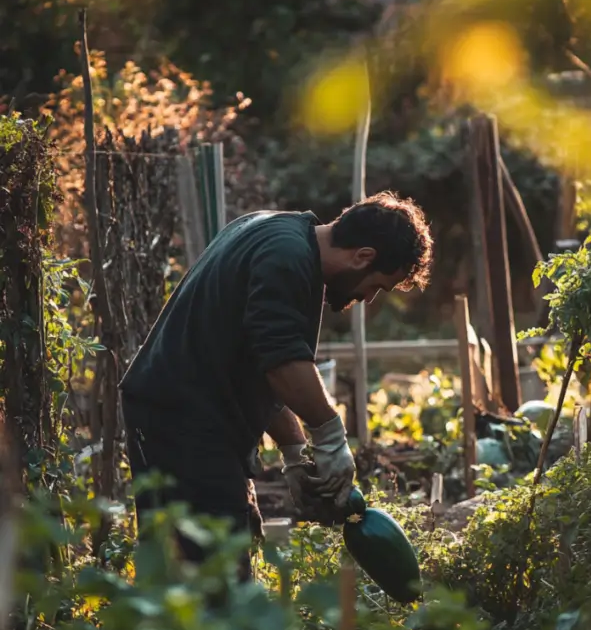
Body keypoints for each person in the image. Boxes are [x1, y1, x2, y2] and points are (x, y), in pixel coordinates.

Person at [120, 190, 433, 570]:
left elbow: (262, 365)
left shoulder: (280, 233)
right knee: (206, 571)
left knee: (226, 546)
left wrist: (295, 454)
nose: (368, 299)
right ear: (363, 256)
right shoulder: (286, 259)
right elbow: (283, 360)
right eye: (378, 286)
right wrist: (330, 437)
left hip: (189, 415)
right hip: (180, 420)